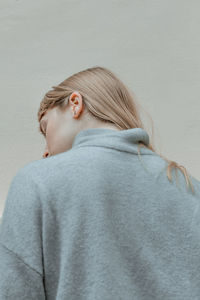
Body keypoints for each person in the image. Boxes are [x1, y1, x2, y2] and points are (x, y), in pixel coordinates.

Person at [0, 66, 200, 300]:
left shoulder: (36, 181)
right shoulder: (190, 190)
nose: (45, 152)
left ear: (75, 103)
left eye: (46, 128)